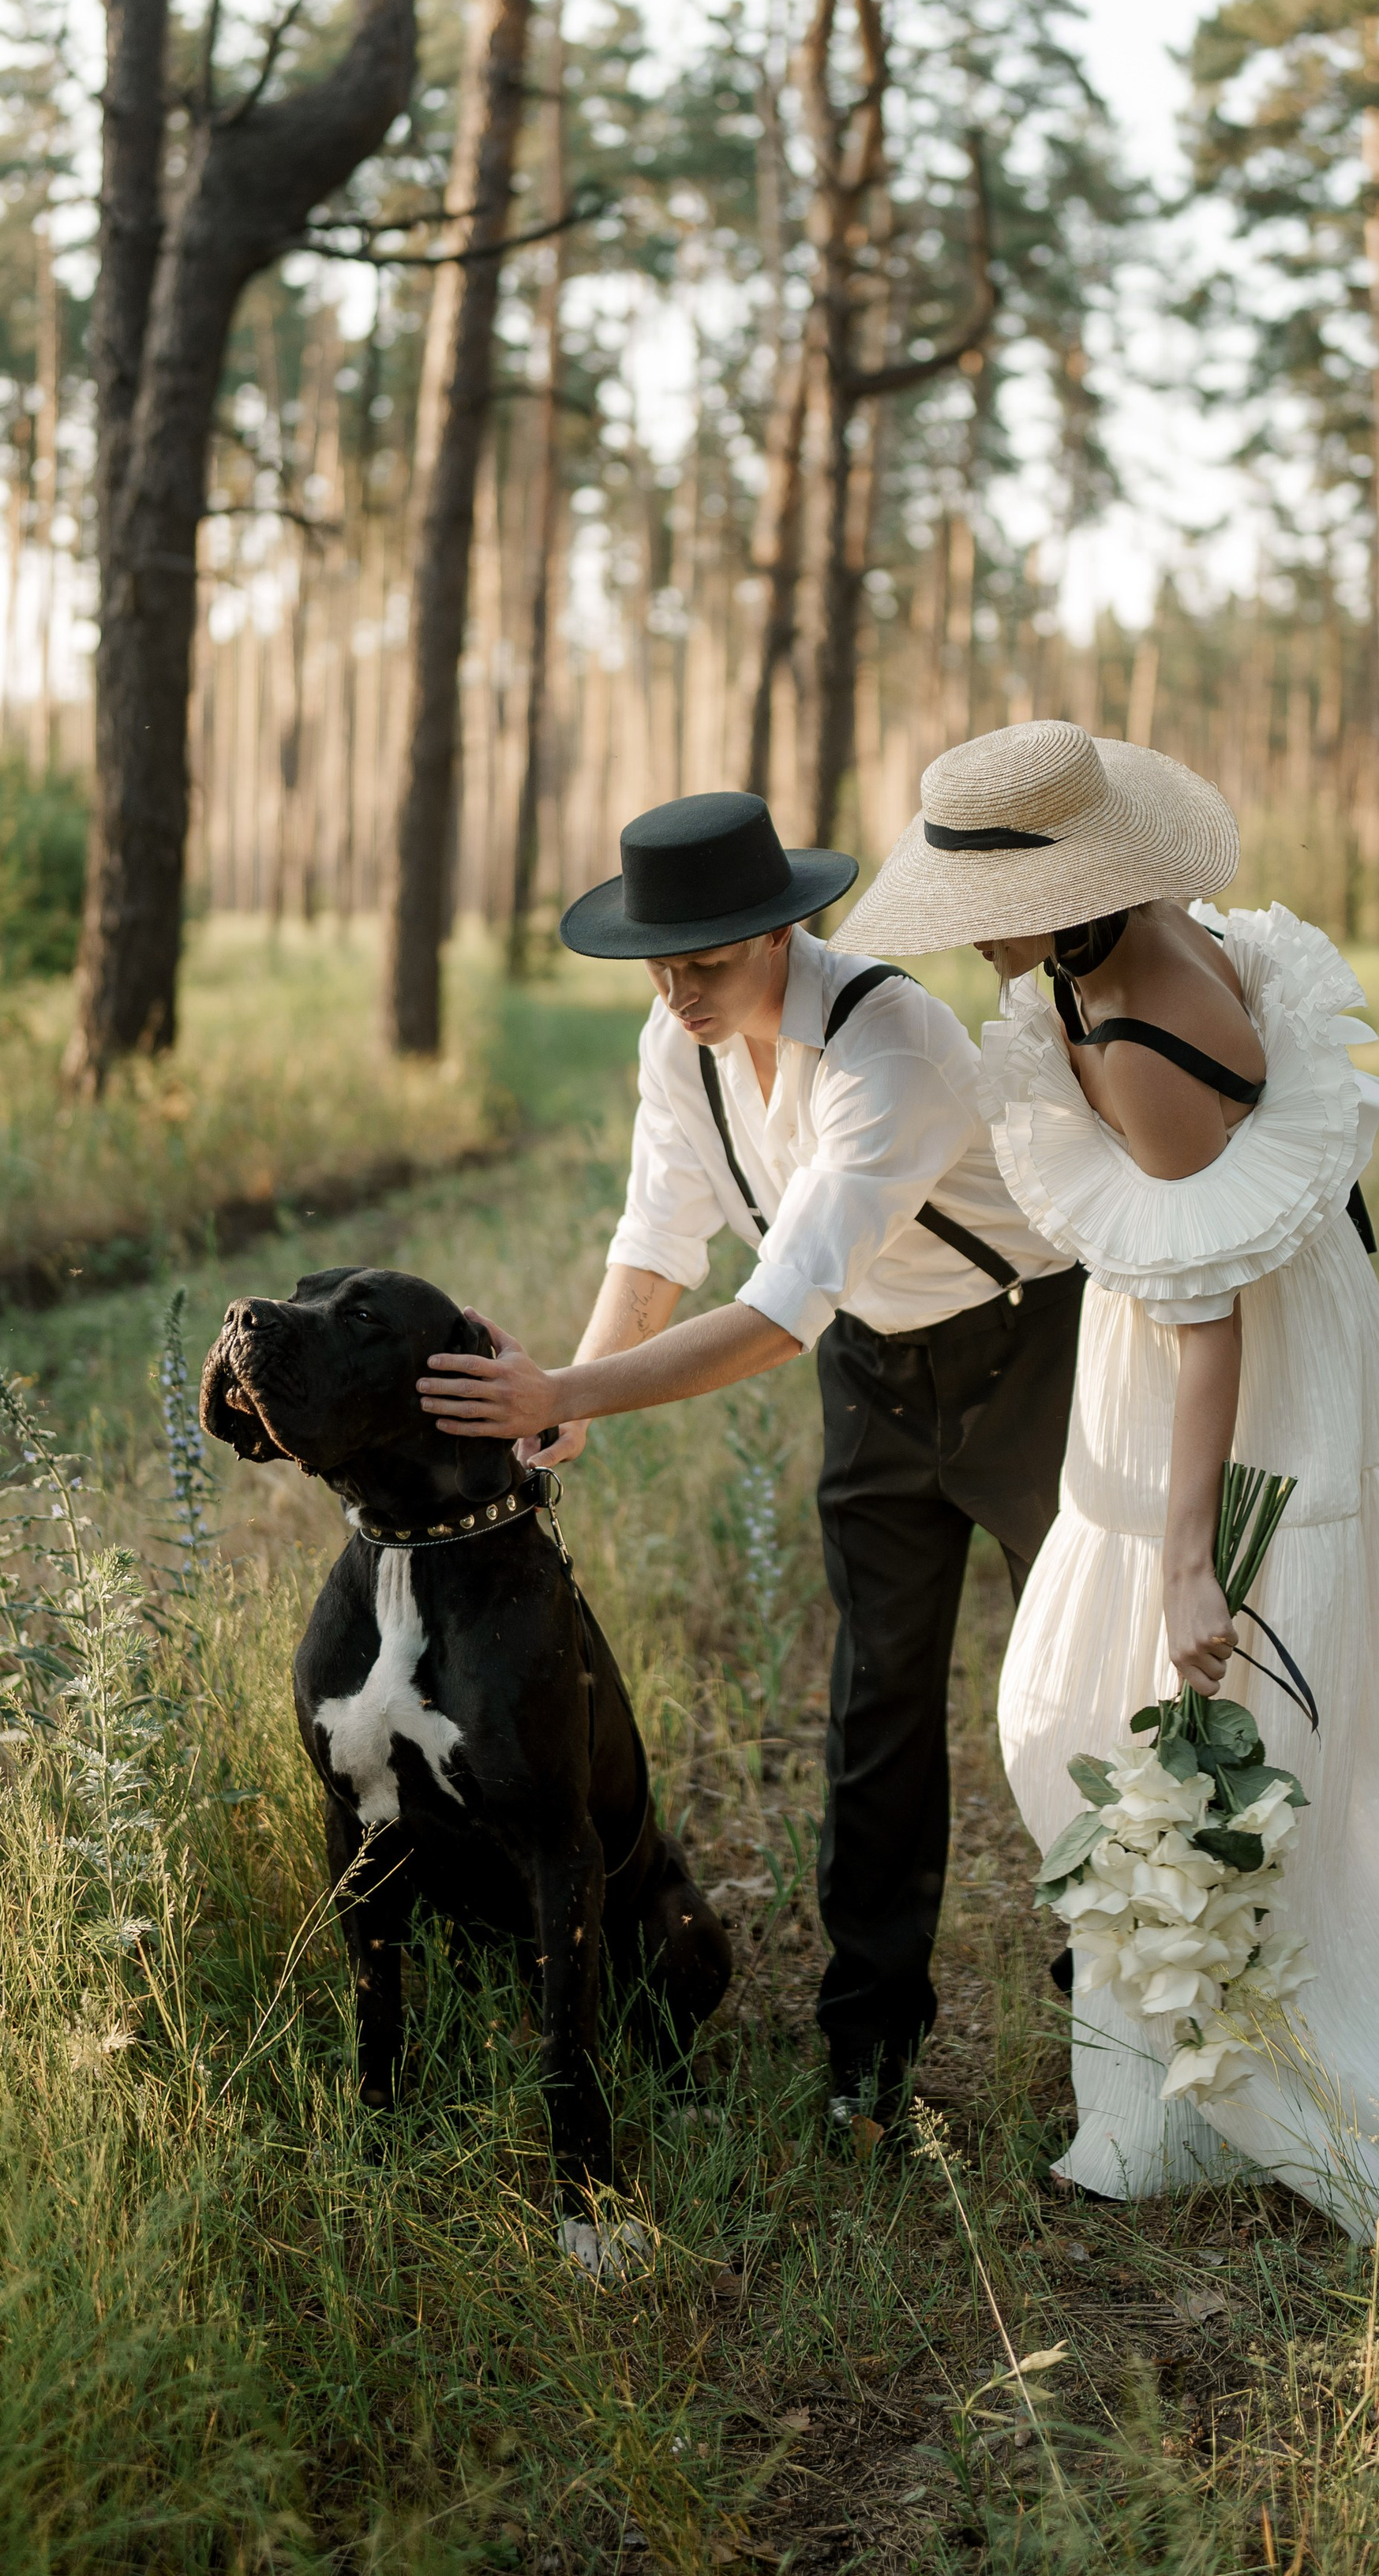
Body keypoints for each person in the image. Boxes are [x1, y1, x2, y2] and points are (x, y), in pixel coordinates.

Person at [838, 719, 1379, 2233]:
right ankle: (1208, 2015)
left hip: (1231, 1367)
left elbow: (1204, 1325)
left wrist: (1187, 1551)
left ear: (1061, 894)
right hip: (1271, 1319)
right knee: (1193, 1702)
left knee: (1142, 1697)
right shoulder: (1166, 928)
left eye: (983, 913)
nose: (970, 942)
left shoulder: (1134, 1036)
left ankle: (1266, 2050)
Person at [418, 788, 1083, 2129]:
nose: (679, 989)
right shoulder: (683, 1043)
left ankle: (1127, 2010)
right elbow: (660, 1235)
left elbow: (780, 1311)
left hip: (1033, 1353)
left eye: (708, 960)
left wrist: (570, 1382)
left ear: (784, 931)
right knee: (876, 1700)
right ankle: (868, 2054)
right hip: (877, 1376)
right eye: (660, 963)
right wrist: (571, 1406)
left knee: (1075, 1686)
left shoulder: (890, 1044)